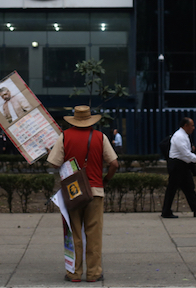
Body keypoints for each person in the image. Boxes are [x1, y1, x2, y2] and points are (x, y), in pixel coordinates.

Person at [48, 105, 119, 283]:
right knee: (94, 234)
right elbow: (114, 164)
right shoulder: (100, 137)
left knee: (74, 233)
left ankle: (74, 273)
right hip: (95, 192)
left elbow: (54, 164)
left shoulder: (64, 136)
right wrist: (105, 180)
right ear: (90, 119)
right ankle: (94, 273)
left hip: (72, 193)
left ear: (74, 119)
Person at [161, 117, 196, 218]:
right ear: (185, 126)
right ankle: (166, 211)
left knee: (189, 188)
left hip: (182, 165)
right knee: (172, 189)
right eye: (192, 125)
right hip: (177, 165)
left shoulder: (184, 135)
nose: (193, 128)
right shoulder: (179, 136)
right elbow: (186, 154)